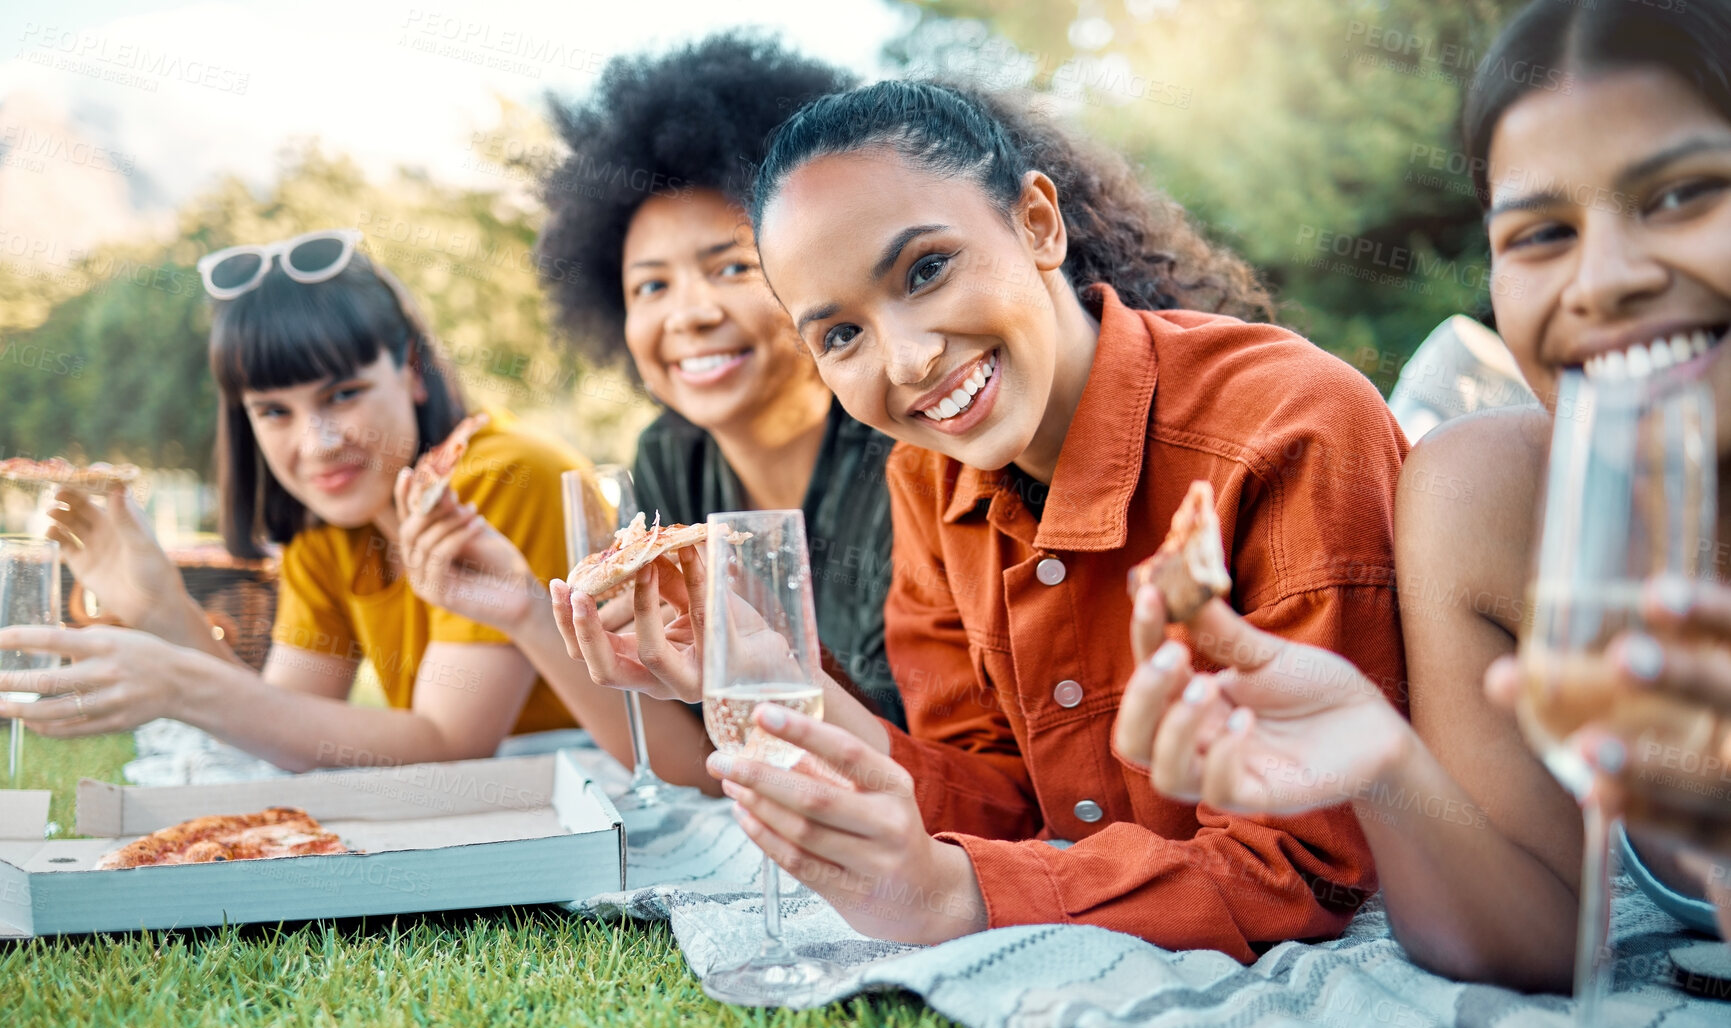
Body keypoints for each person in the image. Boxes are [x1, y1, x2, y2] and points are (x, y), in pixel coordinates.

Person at [559, 81, 1410, 956]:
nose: (911, 357)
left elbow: (1303, 867)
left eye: (926, 269)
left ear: (1038, 222)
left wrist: (953, 896)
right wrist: (778, 676)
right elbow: (1002, 800)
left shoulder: (1290, 426)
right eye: (841, 335)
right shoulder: (927, 478)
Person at [1124, 0, 1731, 989]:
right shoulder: (1486, 498)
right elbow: (1529, 941)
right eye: (1541, 233)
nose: (1605, 279)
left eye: (1682, 196)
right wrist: (1381, 763)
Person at [405, 35, 902, 797]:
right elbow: (688, 763)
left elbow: (929, 769)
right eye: (650, 286)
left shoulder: (904, 446)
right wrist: (528, 613)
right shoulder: (670, 459)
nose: (689, 315)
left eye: (731, 267)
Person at [0, 234, 633, 773]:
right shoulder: (331, 530)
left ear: (412, 370)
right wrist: (160, 607)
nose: (317, 444)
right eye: (274, 410)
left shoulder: (501, 479)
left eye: (342, 395)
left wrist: (179, 685)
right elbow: (286, 729)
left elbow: (448, 744)